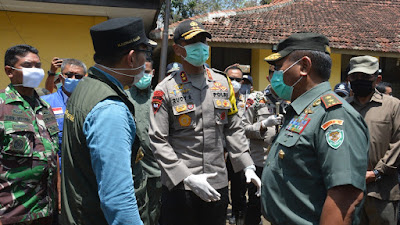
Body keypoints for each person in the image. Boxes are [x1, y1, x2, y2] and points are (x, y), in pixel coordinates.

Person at [148, 19, 261, 225]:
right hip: (180, 187)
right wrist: (185, 176)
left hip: (216, 183)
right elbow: (158, 140)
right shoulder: (165, 89)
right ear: (178, 49)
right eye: (193, 42)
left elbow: (234, 128)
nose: (201, 47)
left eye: (203, 41)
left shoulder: (222, 83)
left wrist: (247, 165)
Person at [261, 33, 370, 225]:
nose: (274, 75)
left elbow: (344, 196)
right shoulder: (302, 111)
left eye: (279, 67)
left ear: (304, 67)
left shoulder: (334, 115)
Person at [61, 17, 155, 225]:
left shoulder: (85, 87)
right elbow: (118, 200)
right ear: (131, 58)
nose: (145, 62)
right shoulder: (110, 109)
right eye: (145, 53)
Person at [0, 44, 59, 224]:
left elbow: (53, 155)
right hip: (11, 213)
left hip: (46, 211)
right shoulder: (2, 106)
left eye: (38, 66)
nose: (35, 71)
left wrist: (58, 200)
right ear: (10, 71)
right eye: (27, 66)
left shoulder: (45, 108)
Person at [346, 55, 400, 225]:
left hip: (382, 191)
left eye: (365, 76)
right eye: (355, 76)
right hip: (348, 189)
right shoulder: (342, 107)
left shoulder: (392, 106)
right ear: (349, 78)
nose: (359, 80)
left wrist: (377, 172)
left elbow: (398, 143)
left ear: (377, 79)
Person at [242, 67, 286, 225]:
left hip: (284, 163)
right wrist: (263, 125)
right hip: (260, 161)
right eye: (276, 77)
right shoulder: (255, 99)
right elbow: (243, 129)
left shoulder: (292, 99)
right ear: (269, 78)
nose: (280, 81)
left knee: (281, 205)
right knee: (255, 204)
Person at [127, 58, 162, 225]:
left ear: (153, 73)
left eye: (147, 72)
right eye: (139, 71)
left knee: (155, 209)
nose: (143, 75)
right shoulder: (123, 97)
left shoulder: (160, 99)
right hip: (132, 167)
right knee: (136, 208)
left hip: (156, 165)